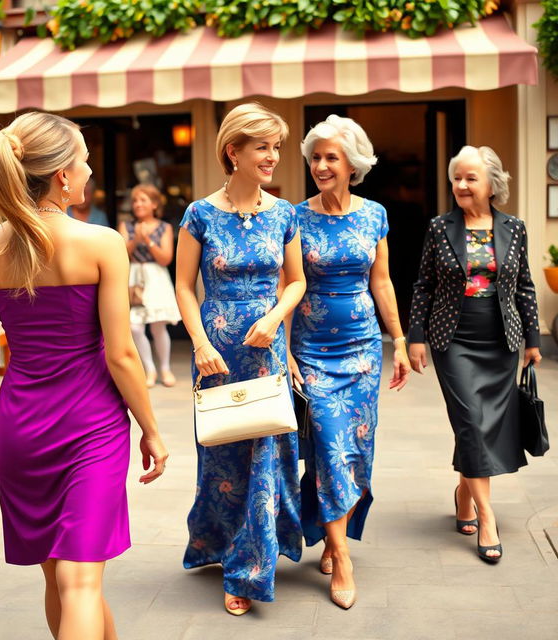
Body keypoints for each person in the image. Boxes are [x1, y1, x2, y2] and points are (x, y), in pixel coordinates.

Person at [0, 112, 168, 640]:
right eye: (85, 160)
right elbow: (122, 354)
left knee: (60, 579)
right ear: (61, 177)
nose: (90, 170)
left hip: (20, 428)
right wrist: (151, 428)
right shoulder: (101, 243)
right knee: (81, 583)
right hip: (90, 425)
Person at [175, 103, 306, 615]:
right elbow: (184, 286)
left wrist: (275, 318)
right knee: (221, 456)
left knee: (265, 458)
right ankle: (219, 544)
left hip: (265, 349)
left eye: (276, 147)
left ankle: (248, 570)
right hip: (216, 356)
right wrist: (201, 343)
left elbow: (295, 281)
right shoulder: (199, 214)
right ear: (234, 151)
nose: (273, 156)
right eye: (262, 147)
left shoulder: (285, 213)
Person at [288, 115, 411, 609]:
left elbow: (381, 280)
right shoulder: (295, 217)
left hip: (362, 351)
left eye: (330, 157)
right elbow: (288, 288)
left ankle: (330, 527)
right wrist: (285, 352)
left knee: (355, 452)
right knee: (329, 445)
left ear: (352, 164)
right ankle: (340, 555)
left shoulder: (374, 214)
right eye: (315, 157)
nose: (320, 165)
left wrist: (398, 340)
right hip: (313, 351)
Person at [408, 145, 542, 564]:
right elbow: (423, 285)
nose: (461, 186)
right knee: (471, 420)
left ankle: (465, 493)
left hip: (501, 341)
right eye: (457, 178)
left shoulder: (514, 228)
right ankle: (487, 516)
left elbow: (524, 286)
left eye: (470, 178)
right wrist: (415, 336)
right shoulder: (439, 227)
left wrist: (533, 340)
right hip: (454, 341)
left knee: (482, 427)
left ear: (491, 185)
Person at [118, 184, 181, 387]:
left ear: (154, 204)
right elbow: (121, 254)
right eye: (135, 200)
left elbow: (166, 259)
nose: (137, 204)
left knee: (158, 326)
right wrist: (136, 239)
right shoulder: (125, 226)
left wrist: (148, 240)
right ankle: (149, 369)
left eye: (143, 200)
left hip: (156, 277)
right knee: (135, 327)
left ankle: (165, 368)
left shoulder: (165, 227)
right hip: (134, 277)